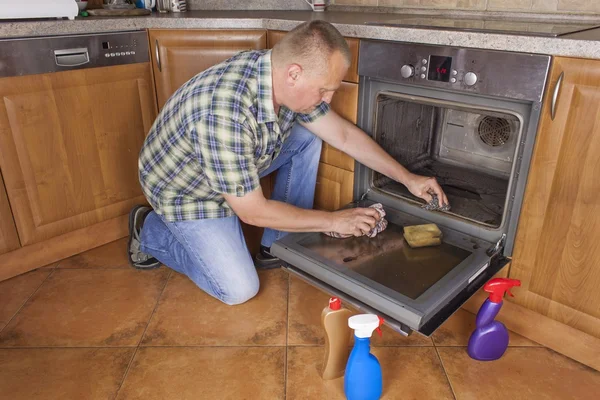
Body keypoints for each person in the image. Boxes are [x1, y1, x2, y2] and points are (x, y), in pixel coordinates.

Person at [128, 20, 448, 306]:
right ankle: (150, 228)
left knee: (308, 136)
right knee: (239, 289)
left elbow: (343, 136)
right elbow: (251, 211)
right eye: (324, 90)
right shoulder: (225, 113)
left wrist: (408, 178)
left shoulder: (281, 80)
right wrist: (333, 221)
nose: (328, 100)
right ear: (294, 74)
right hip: (187, 190)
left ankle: (276, 245)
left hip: (234, 165)